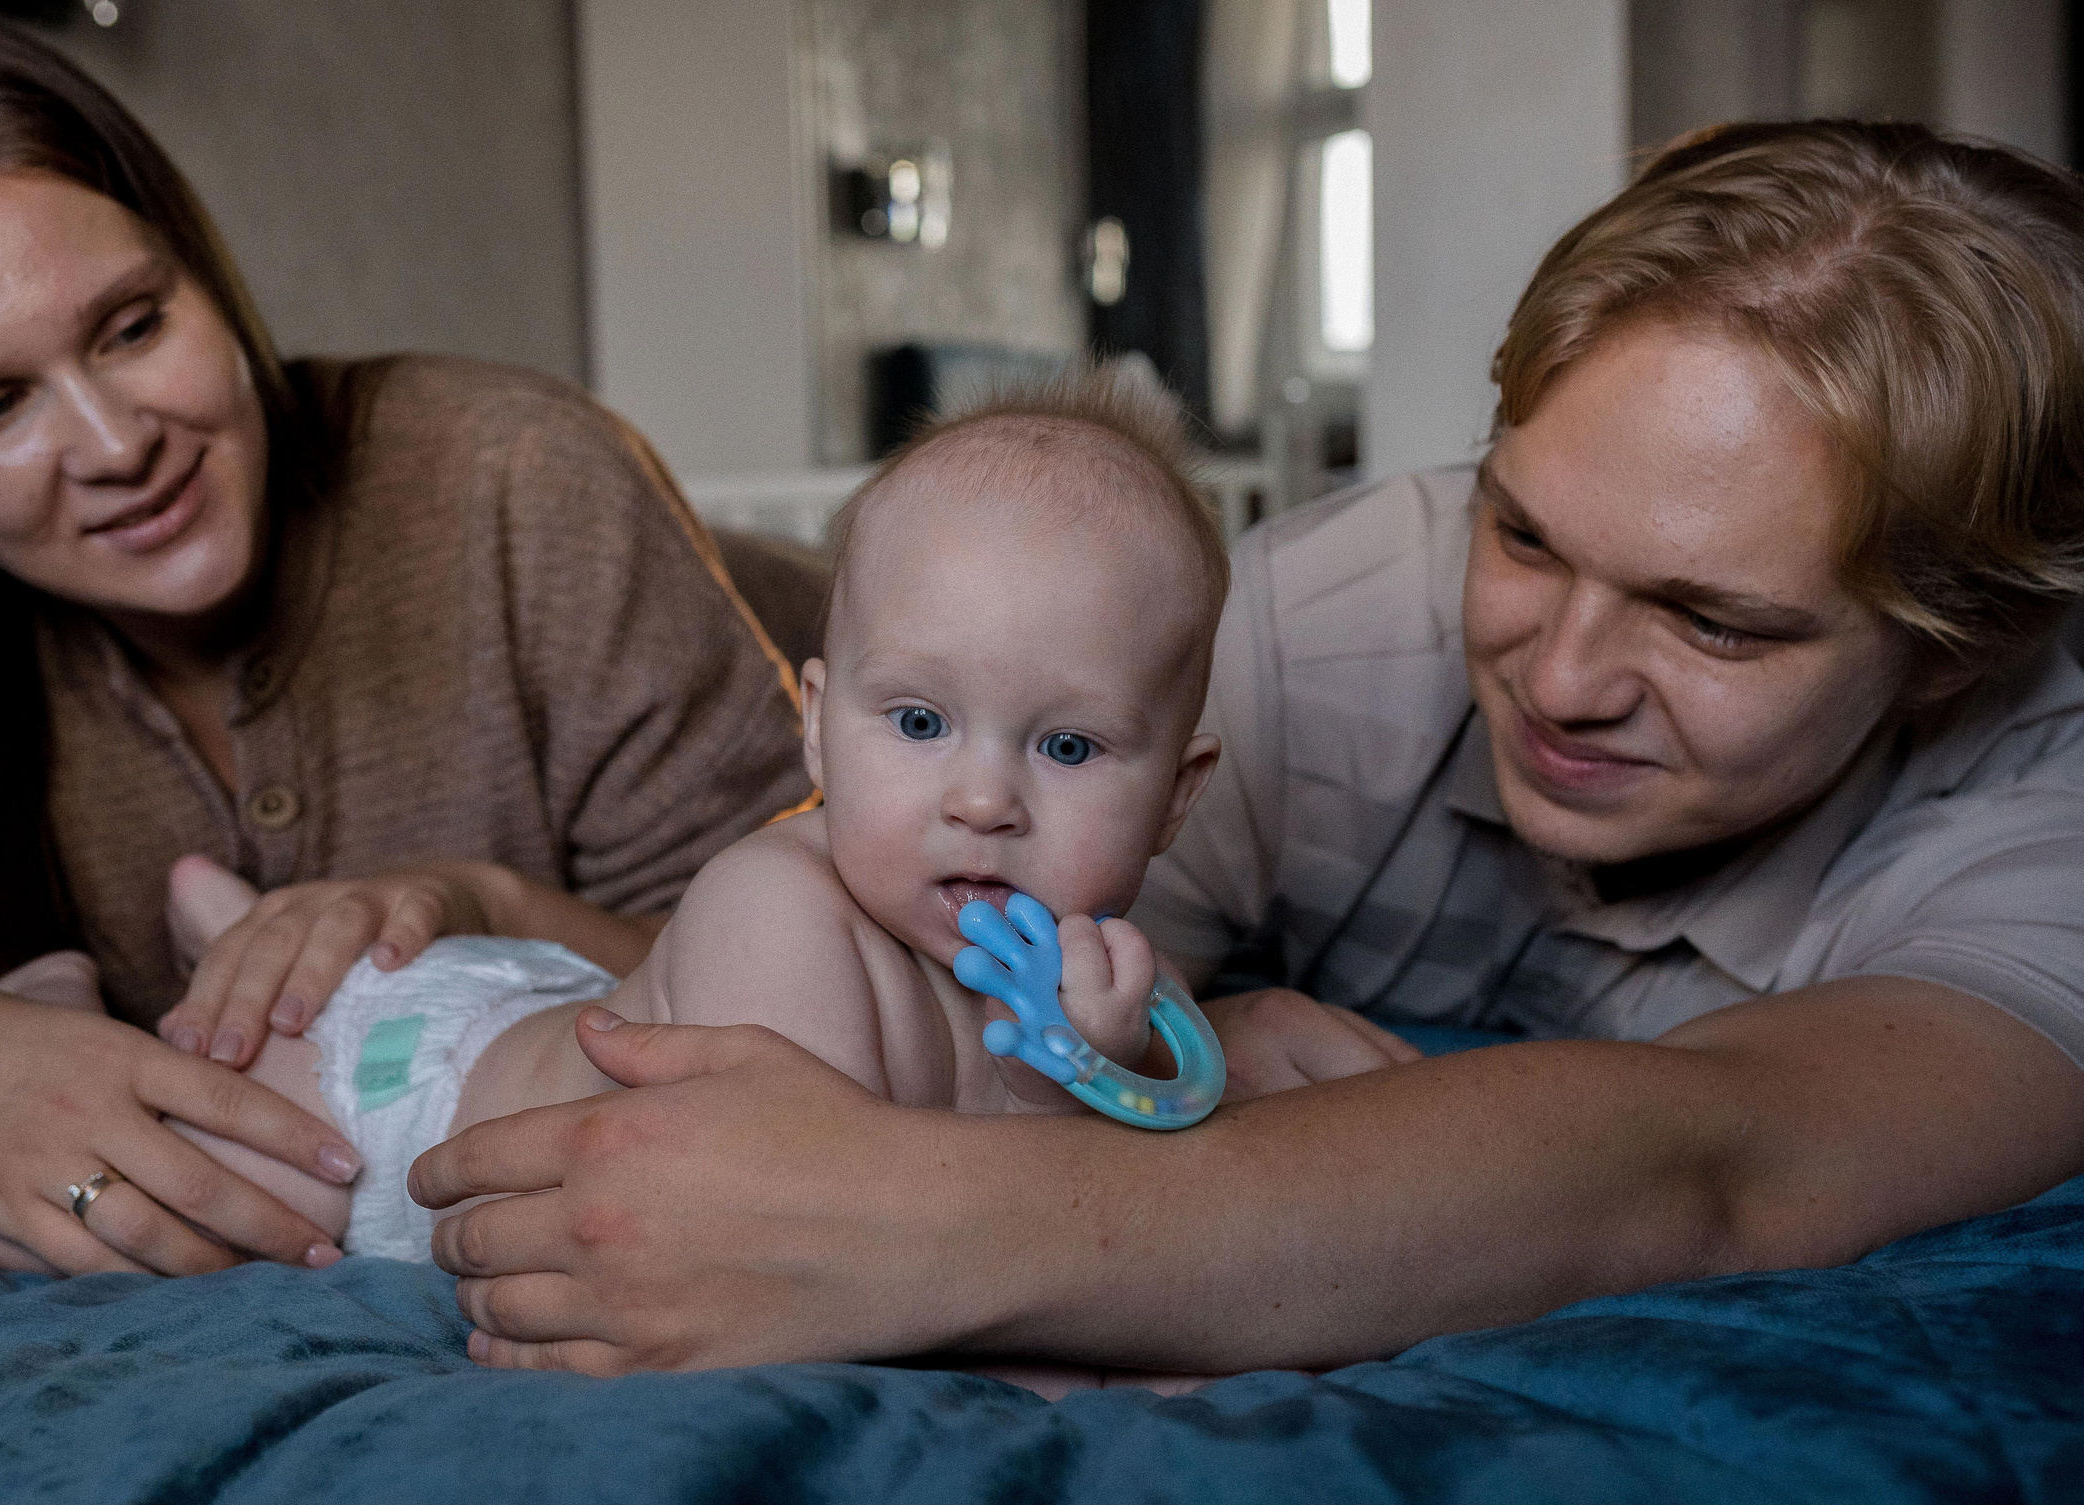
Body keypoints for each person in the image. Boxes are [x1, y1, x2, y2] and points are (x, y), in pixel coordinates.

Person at [411, 120, 2084, 1378]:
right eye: (1521, 532)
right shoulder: (1308, 622)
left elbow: (1723, 1163)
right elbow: (896, 951)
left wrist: (899, 1234)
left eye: (1712, 623)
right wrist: (491, 905)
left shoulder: (2048, 827)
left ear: (1963, 648)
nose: (1562, 675)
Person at [0, 16, 813, 1279]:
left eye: (133, 327)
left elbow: (849, 984)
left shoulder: (522, 479)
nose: (117, 443)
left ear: (209, 281)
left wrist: (494, 903)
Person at [10, 376, 1245, 1263]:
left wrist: (1094, 1066)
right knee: (202, 1181)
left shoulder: (1119, 981)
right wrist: (1050, 1101)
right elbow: (835, 1229)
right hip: (401, 1099)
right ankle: (75, 1008)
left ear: (1174, 799)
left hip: (546, 995)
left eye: (1067, 747)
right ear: (818, 728)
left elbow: (1100, 1199)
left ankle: (235, 929)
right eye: (919, 722)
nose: (981, 801)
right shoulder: (779, 912)